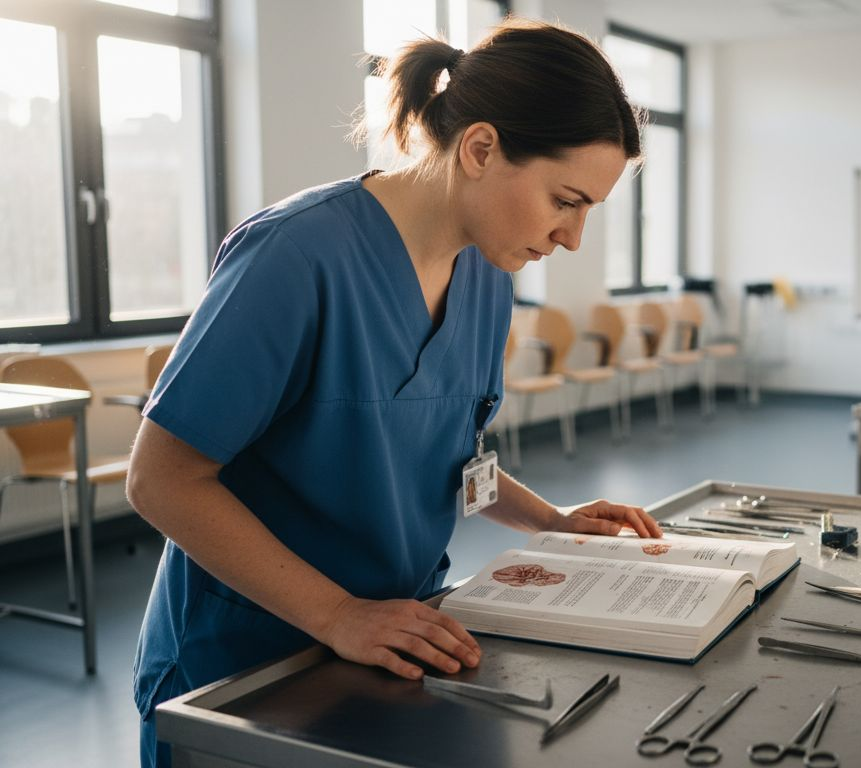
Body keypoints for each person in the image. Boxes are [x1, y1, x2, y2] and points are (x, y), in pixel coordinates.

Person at [127, 19, 659, 767]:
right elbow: (162, 481)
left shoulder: (485, 276)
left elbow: (445, 451)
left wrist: (551, 520)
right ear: (481, 149)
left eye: (588, 212)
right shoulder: (296, 254)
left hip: (387, 646)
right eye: (565, 201)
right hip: (247, 660)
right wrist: (338, 614)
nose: (571, 237)